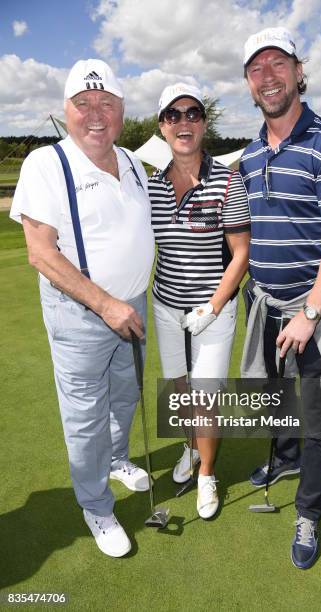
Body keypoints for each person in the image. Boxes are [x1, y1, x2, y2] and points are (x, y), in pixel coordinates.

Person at [10, 59, 155, 558]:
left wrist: (125, 302)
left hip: (132, 308)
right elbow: (40, 252)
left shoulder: (133, 161)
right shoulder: (44, 164)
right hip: (82, 315)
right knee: (86, 417)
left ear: (121, 109)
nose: (96, 113)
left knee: (124, 399)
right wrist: (106, 304)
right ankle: (96, 505)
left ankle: (117, 460)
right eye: (84, 103)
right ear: (67, 110)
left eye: (106, 103)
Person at [239, 28, 321, 569]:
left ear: (297, 71)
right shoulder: (248, 155)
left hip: (318, 305)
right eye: (256, 69)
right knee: (272, 396)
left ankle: (309, 514)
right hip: (264, 301)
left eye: (277, 65)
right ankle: (286, 458)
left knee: (320, 414)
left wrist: (310, 314)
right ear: (249, 83)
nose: (268, 77)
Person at [148, 83, 250, 519]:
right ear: (162, 126)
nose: (183, 121)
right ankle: (189, 450)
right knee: (180, 389)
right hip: (166, 306)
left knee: (206, 396)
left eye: (192, 113)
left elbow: (241, 252)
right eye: (174, 115)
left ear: (204, 123)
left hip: (214, 309)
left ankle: (206, 472)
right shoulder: (150, 186)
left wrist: (212, 306)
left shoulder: (228, 180)